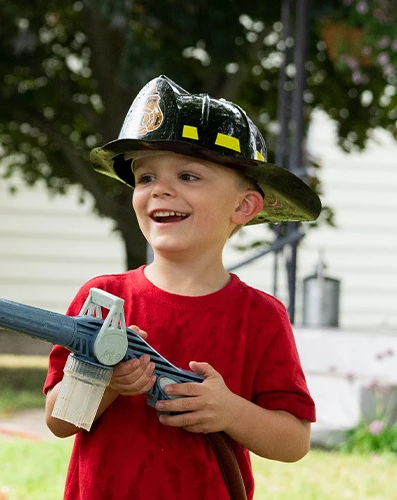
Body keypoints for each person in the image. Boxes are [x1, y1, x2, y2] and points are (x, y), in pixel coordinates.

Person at [43, 75, 320, 500]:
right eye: (146, 177)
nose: (161, 189)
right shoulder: (103, 299)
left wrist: (229, 411)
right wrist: (107, 382)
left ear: (243, 206)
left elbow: (294, 441)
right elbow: (57, 421)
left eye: (188, 175)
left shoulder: (260, 316)